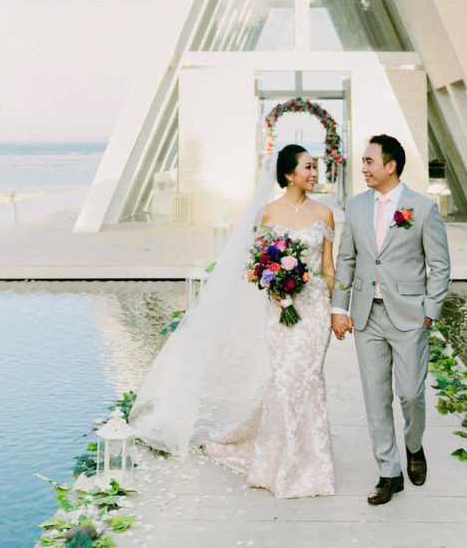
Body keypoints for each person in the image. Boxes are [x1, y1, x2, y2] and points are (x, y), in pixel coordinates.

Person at [129, 144, 336, 499]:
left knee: (309, 379)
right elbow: (260, 266)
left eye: (316, 167)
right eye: (308, 167)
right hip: (282, 309)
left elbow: (329, 267)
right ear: (289, 174)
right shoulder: (268, 214)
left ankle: (311, 462)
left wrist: (330, 304)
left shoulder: (325, 213)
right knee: (286, 379)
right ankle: (279, 460)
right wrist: (274, 288)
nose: (315, 173)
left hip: (314, 310)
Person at [331, 134, 451, 505]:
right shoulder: (355, 206)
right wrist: (339, 308)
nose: (362, 168)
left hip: (410, 316)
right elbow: (347, 259)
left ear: (390, 166)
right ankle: (389, 472)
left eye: (368, 162)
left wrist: (429, 313)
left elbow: (440, 266)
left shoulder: (423, 209)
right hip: (366, 316)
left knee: (411, 394)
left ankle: (414, 445)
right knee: (375, 398)